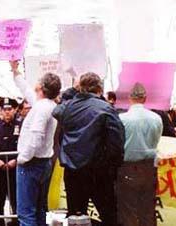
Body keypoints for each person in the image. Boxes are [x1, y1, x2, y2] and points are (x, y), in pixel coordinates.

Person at [52, 73, 124, 225]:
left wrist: (72, 91)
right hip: (99, 171)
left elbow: (56, 111)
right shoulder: (106, 108)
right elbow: (116, 141)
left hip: (73, 171)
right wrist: (113, 166)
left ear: (80, 88)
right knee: (109, 215)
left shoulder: (67, 107)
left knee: (76, 217)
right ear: (99, 89)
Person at [10, 60, 61, 226]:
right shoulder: (48, 105)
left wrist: (22, 158)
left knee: (26, 213)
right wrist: (15, 71)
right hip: (43, 162)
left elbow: (36, 137)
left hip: (31, 163)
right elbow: (26, 89)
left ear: (41, 87)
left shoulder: (40, 108)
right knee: (39, 210)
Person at [115, 83, 162, 226]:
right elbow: (157, 140)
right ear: (145, 98)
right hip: (149, 168)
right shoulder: (156, 118)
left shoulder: (122, 119)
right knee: (147, 209)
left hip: (127, 167)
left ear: (130, 98)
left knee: (128, 210)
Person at [0, 98, 21, 226]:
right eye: (5, 109)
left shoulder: (21, 126)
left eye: (10, 109)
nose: (7, 112)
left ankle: (16, 221)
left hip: (16, 168)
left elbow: (24, 147)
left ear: (14, 110)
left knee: (16, 198)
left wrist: (16, 161)